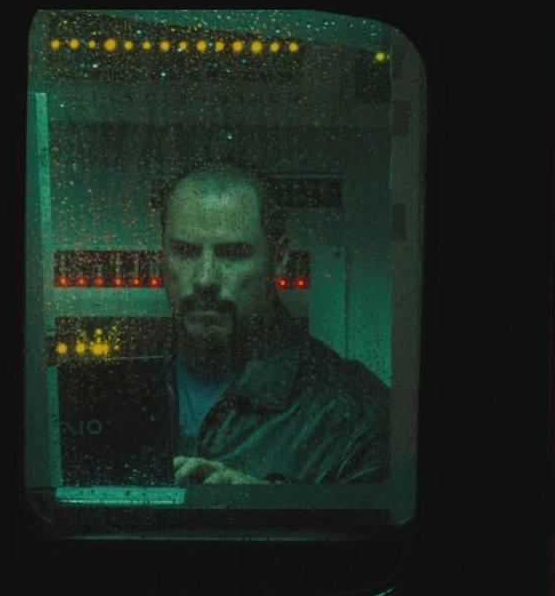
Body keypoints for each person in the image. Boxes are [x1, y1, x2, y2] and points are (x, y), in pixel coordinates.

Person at [156, 162, 390, 485]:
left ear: (278, 259)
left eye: (233, 253)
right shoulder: (119, 389)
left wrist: (268, 503)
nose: (205, 278)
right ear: (162, 255)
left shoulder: (351, 412)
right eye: (184, 251)